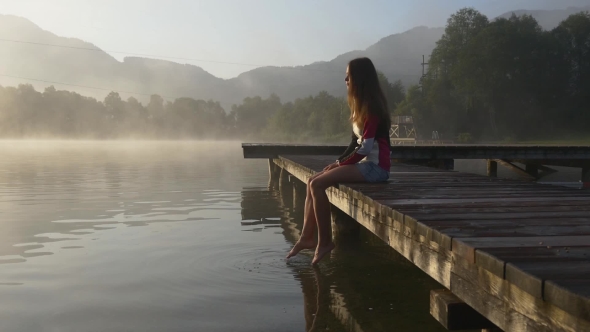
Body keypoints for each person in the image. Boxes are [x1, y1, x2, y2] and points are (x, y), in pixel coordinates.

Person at [286, 57, 392, 265]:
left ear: (359, 79)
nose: (345, 79)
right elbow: (354, 143)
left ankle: (324, 241)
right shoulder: (359, 108)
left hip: (376, 168)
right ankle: (307, 237)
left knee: (318, 184)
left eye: (349, 76)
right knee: (311, 181)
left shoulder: (372, 109)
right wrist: (338, 161)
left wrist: (341, 165)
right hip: (364, 165)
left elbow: (366, 148)